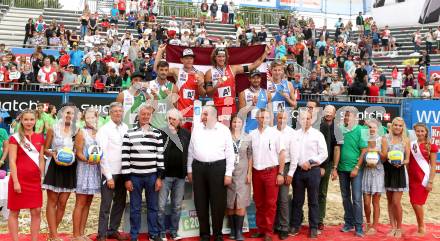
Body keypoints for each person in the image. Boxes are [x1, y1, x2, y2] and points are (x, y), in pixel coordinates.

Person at [187, 106, 235, 241]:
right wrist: (190, 170)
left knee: (218, 203)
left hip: (218, 169)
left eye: (205, 114)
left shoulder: (224, 130)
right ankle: (204, 234)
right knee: (200, 201)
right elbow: (191, 151)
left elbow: (230, 153)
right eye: (202, 114)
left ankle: (218, 233)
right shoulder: (196, 129)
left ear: (213, 116)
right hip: (198, 169)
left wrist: (228, 173)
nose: (202, 117)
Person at [122, 103, 165, 241]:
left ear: (151, 116)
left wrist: (159, 178)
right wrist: (127, 179)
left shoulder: (157, 133)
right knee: (135, 208)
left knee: (153, 207)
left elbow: (160, 156)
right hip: (134, 177)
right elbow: (125, 157)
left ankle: (153, 234)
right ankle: (134, 235)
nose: (146, 116)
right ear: (138, 116)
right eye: (143, 114)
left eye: (148, 114)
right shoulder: (129, 133)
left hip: (152, 177)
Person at [205, 46, 269, 125]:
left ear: (226, 57)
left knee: (232, 130)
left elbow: (252, 66)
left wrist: (265, 53)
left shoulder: (233, 69)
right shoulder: (209, 73)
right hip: (218, 106)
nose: (221, 59)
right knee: (222, 130)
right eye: (219, 56)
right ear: (215, 57)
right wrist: (216, 86)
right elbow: (209, 94)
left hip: (231, 106)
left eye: (223, 56)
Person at [288, 111, 327, 238]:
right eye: (303, 118)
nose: (306, 121)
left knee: (313, 200)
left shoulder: (318, 135)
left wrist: (310, 162)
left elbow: (323, 153)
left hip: (313, 171)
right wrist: (300, 162)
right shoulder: (294, 134)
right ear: (299, 120)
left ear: (312, 120)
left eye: (308, 118)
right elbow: (292, 152)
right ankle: (295, 225)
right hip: (298, 171)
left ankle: (314, 227)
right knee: (297, 200)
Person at [43, 103, 79, 241]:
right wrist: (54, 154)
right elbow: (45, 149)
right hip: (54, 166)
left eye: (72, 113)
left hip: (70, 167)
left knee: (63, 202)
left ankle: (53, 233)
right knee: (52, 201)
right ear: (61, 113)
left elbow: (78, 149)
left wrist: (73, 155)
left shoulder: (77, 130)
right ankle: (54, 235)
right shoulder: (53, 128)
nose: (69, 115)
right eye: (67, 113)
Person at [8, 109, 45, 241]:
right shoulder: (14, 138)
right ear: (21, 121)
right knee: (14, 211)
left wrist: (42, 178)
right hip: (19, 179)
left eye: (31, 119)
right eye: (26, 119)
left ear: (35, 121)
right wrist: (16, 181)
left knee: (36, 211)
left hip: (35, 180)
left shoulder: (40, 137)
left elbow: (41, 158)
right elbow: (11, 160)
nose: (29, 122)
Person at [248, 108, 285, 241]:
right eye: (261, 117)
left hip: (271, 171)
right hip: (256, 172)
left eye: (266, 117)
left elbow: (282, 154)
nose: (264, 120)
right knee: (259, 202)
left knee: (270, 203)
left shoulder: (276, 134)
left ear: (271, 119)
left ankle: (269, 231)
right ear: (257, 119)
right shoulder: (251, 134)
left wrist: (280, 173)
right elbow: (250, 155)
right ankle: (260, 229)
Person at [331, 109, 367, 237]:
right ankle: (349, 222)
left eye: (348, 115)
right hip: (342, 169)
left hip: (355, 169)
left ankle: (358, 226)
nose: (346, 117)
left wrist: (357, 167)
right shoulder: (340, 129)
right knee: (345, 197)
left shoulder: (361, 130)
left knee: (357, 199)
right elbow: (337, 149)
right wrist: (334, 168)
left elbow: (364, 150)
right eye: (345, 115)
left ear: (355, 118)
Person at [96, 102, 129, 241]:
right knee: (106, 204)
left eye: (120, 111)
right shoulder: (104, 129)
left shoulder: (126, 127)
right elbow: (101, 154)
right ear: (110, 113)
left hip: (123, 172)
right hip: (110, 172)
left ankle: (113, 230)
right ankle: (102, 234)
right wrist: (108, 176)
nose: (117, 113)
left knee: (120, 203)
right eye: (115, 111)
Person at [158, 109, 191, 241]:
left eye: (174, 119)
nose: (171, 121)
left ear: (180, 121)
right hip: (164, 176)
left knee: (177, 206)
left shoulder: (186, 134)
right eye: (169, 118)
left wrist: (188, 171)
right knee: (161, 206)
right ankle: (160, 232)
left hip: (180, 176)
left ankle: (173, 231)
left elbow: (189, 153)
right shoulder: (161, 132)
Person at [155, 46, 205, 130]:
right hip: (180, 114)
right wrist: (160, 51)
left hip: (195, 115)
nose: (189, 60)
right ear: (181, 60)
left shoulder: (200, 74)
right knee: (180, 140)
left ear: (193, 60)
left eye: (191, 58)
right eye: (186, 58)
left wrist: (200, 85)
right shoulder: (177, 71)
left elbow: (203, 95)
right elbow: (158, 70)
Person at [72, 108, 102, 240]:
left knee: (88, 203)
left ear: (97, 118)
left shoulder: (100, 132)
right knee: (80, 202)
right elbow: (77, 153)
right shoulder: (81, 132)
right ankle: (76, 234)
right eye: (88, 117)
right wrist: (87, 160)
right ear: (84, 119)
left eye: (93, 117)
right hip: (84, 170)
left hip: (95, 170)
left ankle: (82, 233)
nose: (91, 120)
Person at [381, 117, 410, 238]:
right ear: (391, 126)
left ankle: (399, 227)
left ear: (403, 127)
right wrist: (388, 155)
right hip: (388, 170)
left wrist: (401, 162)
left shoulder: (406, 140)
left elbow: (407, 159)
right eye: (396, 125)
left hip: (399, 172)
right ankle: (392, 227)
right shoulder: (385, 138)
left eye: (400, 125)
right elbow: (382, 158)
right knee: (389, 201)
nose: (398, 127)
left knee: (396, 202)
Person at [409, 123, 438, 237]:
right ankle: (420, 225)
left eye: (422, 131)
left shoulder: (431, 145)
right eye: (418, 131)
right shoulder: (412, 145)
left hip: (423, 179)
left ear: (426, 132)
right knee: (413, 202)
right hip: (412, 178)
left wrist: (430, 181)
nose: (420, 133)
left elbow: (433, 165)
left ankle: (422, 227)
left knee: (417, 203)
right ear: (414, 132)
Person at [226, 114, 251, 241]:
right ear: (231, 123)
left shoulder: (247, 137)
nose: (236, 124)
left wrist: (249, 173)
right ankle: (232, 230)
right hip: (229, 173)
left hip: (243, 173)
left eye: (239, 122)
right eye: (234, 122)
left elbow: (250, 156)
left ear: (243, 123)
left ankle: (239, 232)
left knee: (240, 202)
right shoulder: (225, 136)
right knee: (231, 202)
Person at [273, 111, 296, 240]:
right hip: (271, 166)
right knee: (272, 198)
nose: (282, 120)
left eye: (284, 118)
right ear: (277, 118)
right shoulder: (271, 130)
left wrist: (290, 173)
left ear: (287, 119)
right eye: (280, 117)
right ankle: (275, 225)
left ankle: (284, 227)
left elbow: (294, 155)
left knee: (283, 198)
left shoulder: (291, 133)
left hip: (285, 167)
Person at [362, 119, 385, 235]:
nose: (372, 129)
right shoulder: (364, 140)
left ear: (378, 129)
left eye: (374, 127)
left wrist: (378, 151)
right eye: (370, 127)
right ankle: (368, 222)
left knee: (375, 202)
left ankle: (374, 226)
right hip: (366, 171)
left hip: (378, 172)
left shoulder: (382, 140)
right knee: (366, 202)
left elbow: (385, 158)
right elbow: (361, 155)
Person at [318, 105, 337, 230]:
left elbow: (337, 148)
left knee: (322, 192)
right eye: (327, 111)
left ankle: (319, 219)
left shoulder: (337, 128)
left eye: (331, 112)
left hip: (328, 163)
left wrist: (334, 168)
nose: (328, 114)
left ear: (335, 114)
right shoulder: (317, 125)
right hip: (315, 162)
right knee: (311, 192)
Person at [149, 61, 178, 129]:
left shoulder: (173, 87)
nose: (163, 72)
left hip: (167, 126)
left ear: (168, 71)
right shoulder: (149, 85)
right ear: (157, 70)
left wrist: (171, 97)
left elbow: (176, 107)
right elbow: (145, 108)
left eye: (166, 70)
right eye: (161, 70)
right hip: (152, 124)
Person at [266, 60, 297, 125]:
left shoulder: (289, 84)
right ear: (271, 70)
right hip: (270, 123)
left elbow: (294, 105)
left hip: (285, 123)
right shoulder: (266, 85)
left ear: (282, 71)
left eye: (279, 70)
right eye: (275, 70)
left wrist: (288, 99)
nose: (277, 72)